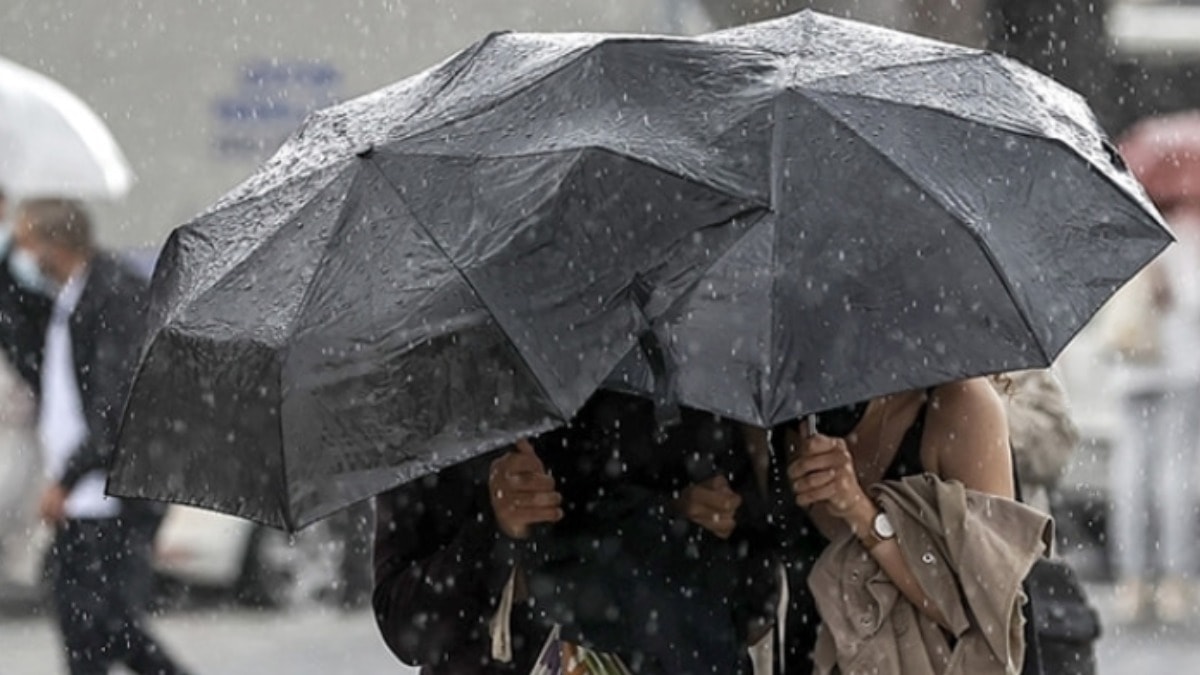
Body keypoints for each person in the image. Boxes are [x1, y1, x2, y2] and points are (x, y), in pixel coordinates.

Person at [373, 390, 761, 674]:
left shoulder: (660, 367)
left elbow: (759, 586)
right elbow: (407, 628)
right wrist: (495, 530)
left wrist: (676, 520)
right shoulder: (430, 410)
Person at [7, 198, 192, 675]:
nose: (20, 254)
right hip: (87, 495)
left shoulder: (115, 294)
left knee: (109, 623)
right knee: (81, 623)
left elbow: (116, 408)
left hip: (111, 493)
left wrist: (65, 480)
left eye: (24, 242)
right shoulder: (72, 295)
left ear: (53, 244)